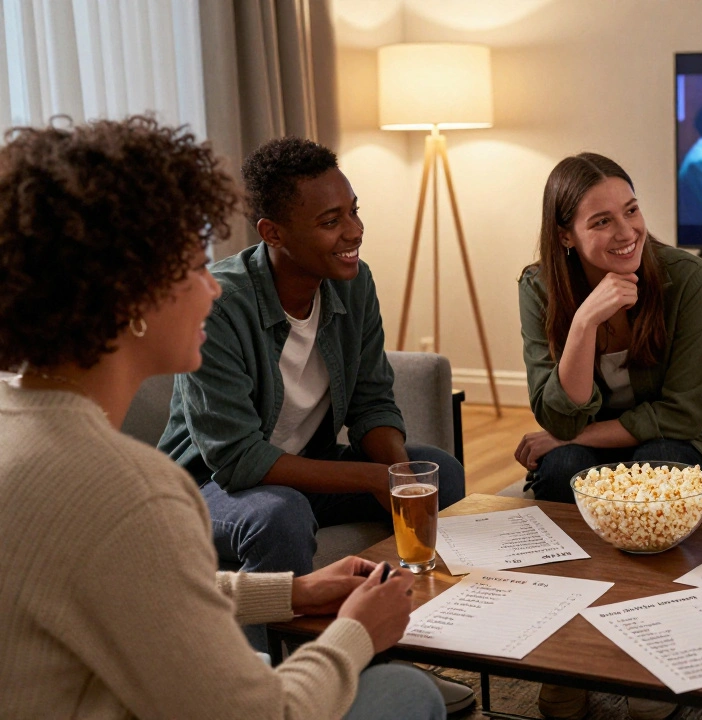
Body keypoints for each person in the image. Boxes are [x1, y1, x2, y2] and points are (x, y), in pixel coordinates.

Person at [0, 116, 445, 720]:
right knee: (409, 695)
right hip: (232, 525)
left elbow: (144, 587)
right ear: (128, 297)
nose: (212, 286)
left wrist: (295, 590)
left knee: (435, 468)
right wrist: (355, 635)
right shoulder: (132, 493)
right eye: (192, 264)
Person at [157, 137, 474, 709]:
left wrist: (400, 476)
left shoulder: (354, 283)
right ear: (273, 232)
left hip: (302, 469)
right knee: (279, 512)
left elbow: (374, 401)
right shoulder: (222, 303)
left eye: (354, 211)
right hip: (212, 487)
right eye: (331, 220)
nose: (353, 231)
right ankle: (273, 684)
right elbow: (239, 460)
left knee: (441, 473)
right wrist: (376, 482)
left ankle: (397, 655)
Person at [518, 152, 702, 720]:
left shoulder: (686, 277)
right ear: (564, 234)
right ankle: (567, 657)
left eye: (631, 211)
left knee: (661, 470)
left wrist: (573, 439)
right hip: (589, 447)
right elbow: (559, 417)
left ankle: (650, 662)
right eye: (601, 221)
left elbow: (682, 415)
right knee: (561, 473)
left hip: (679, 445)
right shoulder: (540, 287)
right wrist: (585, 320)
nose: (627, 231)